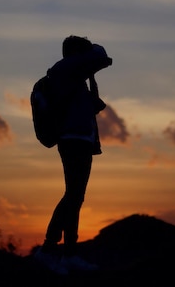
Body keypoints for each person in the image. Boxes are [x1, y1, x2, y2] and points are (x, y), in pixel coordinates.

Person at [34, 35, 113, 274]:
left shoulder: (74, 78)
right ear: (75, 53)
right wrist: (89, 51)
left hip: (81, 141)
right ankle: (48, 249)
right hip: (73, 140)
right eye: (82, 51)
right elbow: (100, 55)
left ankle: (68, 253)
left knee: (76, 197)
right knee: (73, 195)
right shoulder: (64, 69)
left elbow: (93, 105)